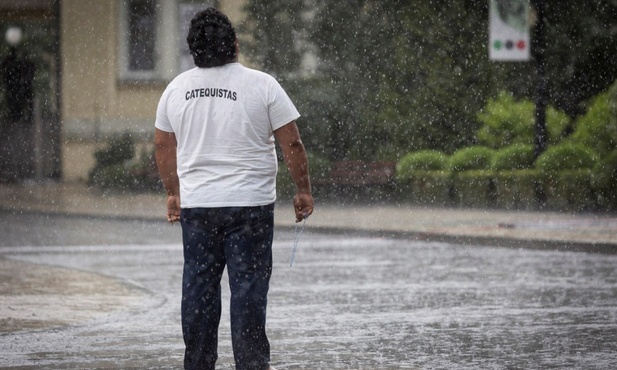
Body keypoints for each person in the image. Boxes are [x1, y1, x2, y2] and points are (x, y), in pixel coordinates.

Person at [154, 7, 314, 370]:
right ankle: (252, 364)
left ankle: (198, 363)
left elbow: (163, 146)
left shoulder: (175, 90)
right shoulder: (263, 85)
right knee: (248, 293)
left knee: (199, 291)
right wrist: (303, 189)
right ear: (235, 44)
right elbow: (292, 144)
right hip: (251, 208)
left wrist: (173, 193)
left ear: (193, 48)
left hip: (198, 208)